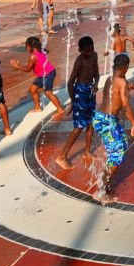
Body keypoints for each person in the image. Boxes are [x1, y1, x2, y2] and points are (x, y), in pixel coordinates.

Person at [92, 53, 134, 203]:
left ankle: (104, 180)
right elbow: (125, 106)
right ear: (126, 68)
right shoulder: (122, 83)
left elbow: (115, 91)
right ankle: (101, 190)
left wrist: (127, 86)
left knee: (123, 143)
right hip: (107, 121)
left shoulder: (110, 79)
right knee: (117, 154)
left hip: (101, 118)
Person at [55, 36, 99, 169]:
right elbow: (70, 83)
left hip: (90, 91)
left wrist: (96, 84)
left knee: (91, 123)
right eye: (86, 51)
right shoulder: (79, 61)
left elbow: (96, 74)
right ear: (80, 50)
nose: (89, 52)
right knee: (79, 126)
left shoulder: (95, 56)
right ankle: (62, 156)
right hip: (80, 92)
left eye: (91, 49)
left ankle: (87, 151)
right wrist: (74, 101)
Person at [10, 36, 67, 115]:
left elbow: (27, 69)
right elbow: (36, 62)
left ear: (30, 47)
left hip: (47, 74)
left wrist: (17, 66)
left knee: (48, 93)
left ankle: (60, 109)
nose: (26, 49)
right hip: (46, 74)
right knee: (32, 90)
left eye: (26, 47)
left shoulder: (33, 56)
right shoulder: (41, 51)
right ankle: (38, 108)